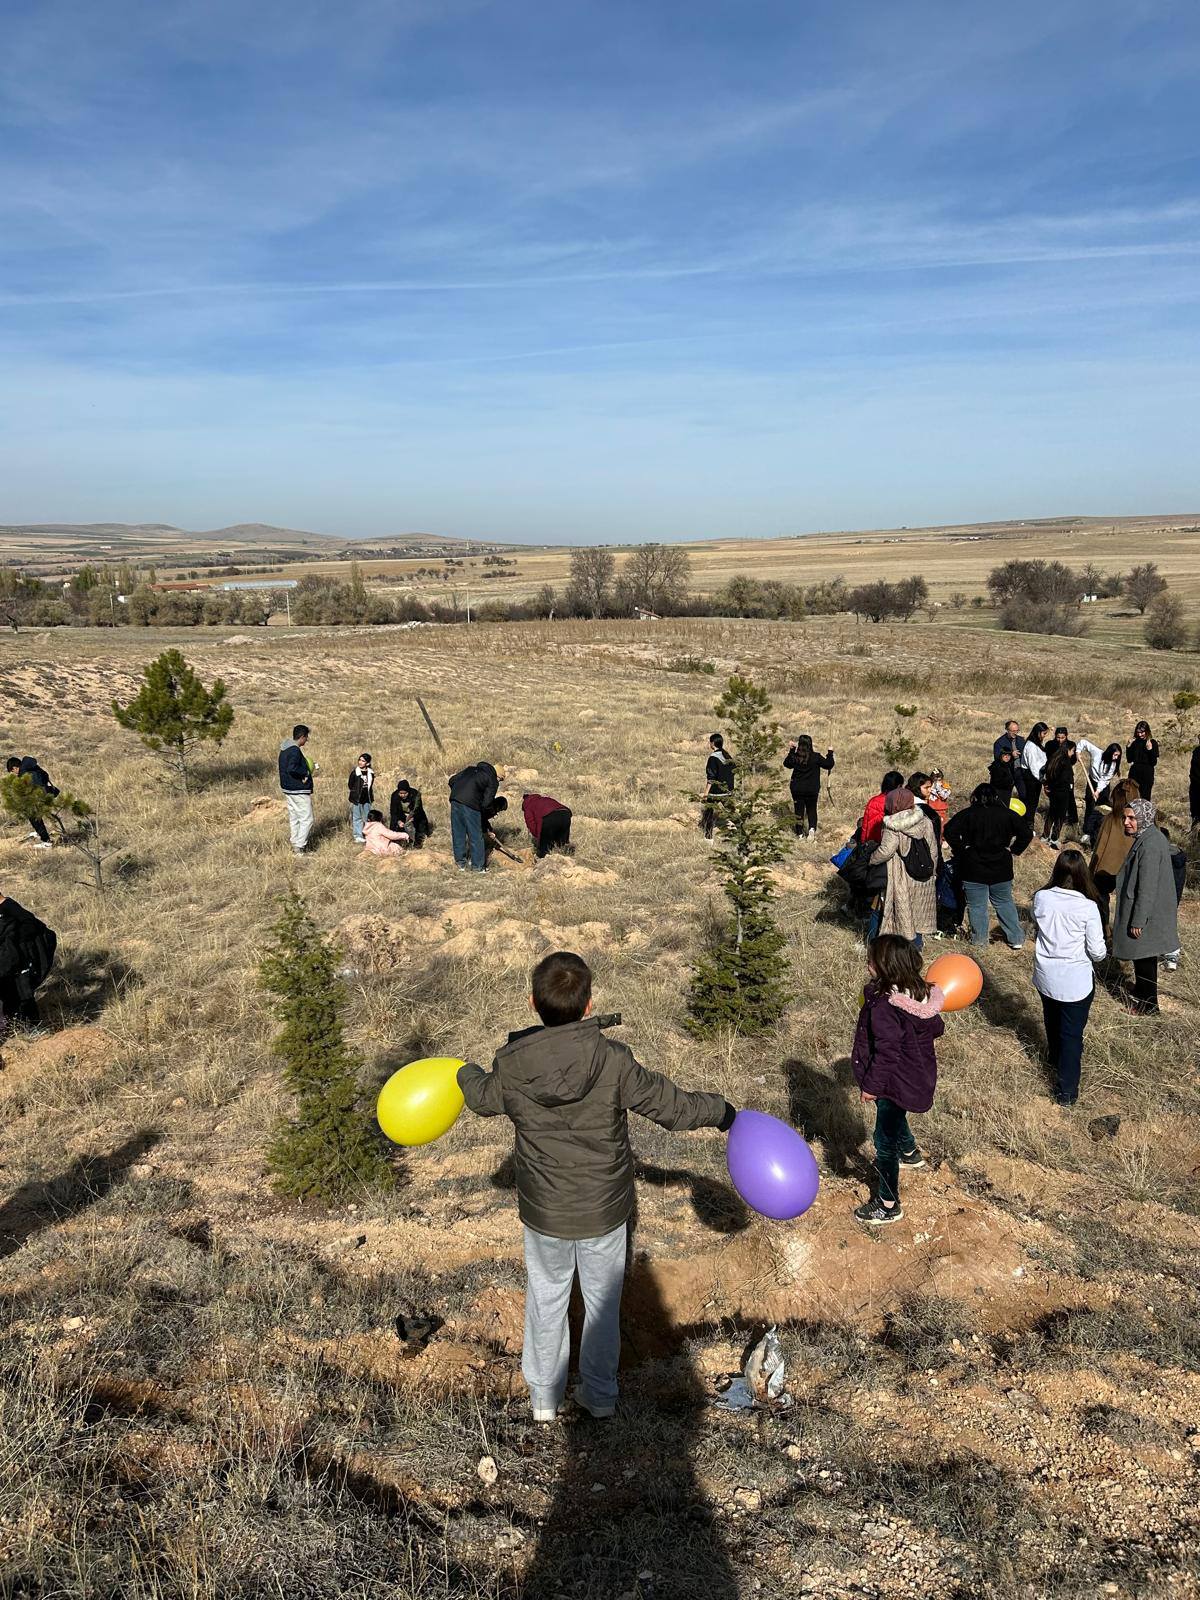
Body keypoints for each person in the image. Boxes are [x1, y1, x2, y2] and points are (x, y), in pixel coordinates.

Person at [456, 951, 736, 1421]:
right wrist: (723, 1111)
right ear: (590, 1006)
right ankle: (600, 1396)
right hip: (605, 1211)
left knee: (547, 1297)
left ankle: (544, 1400)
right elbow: (675, 1109)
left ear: (532, 1003)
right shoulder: (613, 1060)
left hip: (544, 1213)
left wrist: (462, 1072)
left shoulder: (511, 1065)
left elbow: (482, 1099)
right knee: (602, 1305)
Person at [850, 934, 945, 1226]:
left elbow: (887, 1053)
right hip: (915, 1076)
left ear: (886, 967)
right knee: (894, 1114)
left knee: (883, 1141)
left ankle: (888, 1203)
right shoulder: (919, 994)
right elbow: (936, 1028)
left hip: (892, 1081)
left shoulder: (886, 1006)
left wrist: (871, 1086)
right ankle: (911, 1152)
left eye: (872, 960)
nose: (868, 963)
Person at [1030, 850, 1106, 1106]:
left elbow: (1038, 926)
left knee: (1051, 1019)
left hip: (1045, 974)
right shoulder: (1088, 907)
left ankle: (1053, 1058)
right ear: (1083, 874)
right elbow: (1097, 952)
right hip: (1075, 981)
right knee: (1072, 1035)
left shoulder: (1041, 898)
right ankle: (1066, 1091)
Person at [943, 783, 1034, 951]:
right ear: (995, 797)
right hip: (1001, 866)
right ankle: (1016, 938)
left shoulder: (969, 813)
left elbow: (949, 830)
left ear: (975, 797)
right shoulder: (1007, 814)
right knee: (1004, 902)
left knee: (977, 906)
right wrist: (1014, 850)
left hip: (973, 867)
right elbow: (1027, 833)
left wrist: (961, 848)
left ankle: (980, 942)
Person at [1113, 800, 1178, 1015]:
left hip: (1147, 915)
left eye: (1132, 818)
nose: (1127, 822)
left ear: (1144, 818)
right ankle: (1142, 991)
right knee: (1142, 956)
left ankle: (1149, 1006)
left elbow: (1147, 887)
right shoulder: (1148, 837)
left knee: (1145, 958)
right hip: (1150, 913)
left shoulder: (1150, 844)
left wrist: (1139, 920)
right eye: (1125, 817)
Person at [869, 788, 938, 949]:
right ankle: (916, 949)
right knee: (917, 913)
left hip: (901, 876)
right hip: (923, 876)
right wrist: (932, 871)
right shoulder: (925, 820)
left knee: (897, 912)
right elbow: (933, 849)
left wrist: (871, 860)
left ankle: (883, 949)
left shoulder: (892, 824)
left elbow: (886, 851)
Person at [0, 892, 57, 1033]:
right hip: (7, 959)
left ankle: (33, 1030)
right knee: (9, 993)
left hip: (17, 960)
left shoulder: (9, 906)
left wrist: (13, 940)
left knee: (20, 993)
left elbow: (30, 924)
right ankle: (14, 1027)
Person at [1089, 776, 1140, 926]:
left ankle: (1105, 930)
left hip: (1109, 869)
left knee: (1100, 897)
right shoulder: (1141, 820)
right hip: (1127, 871)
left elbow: (1099, 849)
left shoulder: (1111, 819)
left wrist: (1091, 871)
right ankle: (1108, 931)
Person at [448, 761, 501, 872]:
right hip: (471, 804)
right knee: (476, 835)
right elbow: (487, 803)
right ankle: (478, 867)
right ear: (497, 775)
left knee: (458, 832)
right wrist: (480, 810)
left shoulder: (469, 769)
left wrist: (460, 792)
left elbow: (451, 780)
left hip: (455, 800)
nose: (499, 781)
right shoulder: (492, 779)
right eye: (501, 779)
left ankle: (460, 864)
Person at [783, 735, 834, 839]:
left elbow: (787, 764)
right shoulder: (816, 757)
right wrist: (830, 753)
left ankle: (800, 834)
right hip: (812, 789)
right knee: (811, 809)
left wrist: (792, 750)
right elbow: (829, 764)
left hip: (797, 789)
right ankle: (811, 829)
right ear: (810, 744)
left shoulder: (796, 757)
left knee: (798, 811)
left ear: (800, 745)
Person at [5, 755, 59, 849]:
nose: (14, 774)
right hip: (48, 792)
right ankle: (40, 833)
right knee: (34, 816)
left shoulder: (25, 773)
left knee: (33, 816)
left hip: (40, 796)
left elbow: (32, 789)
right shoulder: (31, 767)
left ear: (14, 768)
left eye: (12, 772)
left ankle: (46, 841)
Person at [278, 724, 315, 855]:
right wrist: (305, 772)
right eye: (306, 738)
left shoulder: (284, 749)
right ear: (302, 737)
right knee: (307, 818)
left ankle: (295, 844)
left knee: (295, 817)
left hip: (288, 788)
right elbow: (292, 768)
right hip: (298, 789)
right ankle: (300, 846)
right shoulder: (294, 750)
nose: (307, 740)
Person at [1078, 741, 1122, 844]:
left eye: (1118, 756)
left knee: (1102, 808)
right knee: (1090, 805)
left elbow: (1105, 780)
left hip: (1103, 787)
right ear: (1110, 752)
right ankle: (1087, 833)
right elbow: (1083, 742)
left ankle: (1099, 832)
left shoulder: (1113, 765)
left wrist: (1098, 791)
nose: (1116, 758)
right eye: (1115, 755)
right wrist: (1078, 751)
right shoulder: (1097, 752)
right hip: (1091, 782)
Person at [1041, 740, 1079, 846]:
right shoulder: (1065, 762)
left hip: (1053, 791)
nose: (1073, 753)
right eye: (1073, 751)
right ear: (1068, 750)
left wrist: (1048, 785)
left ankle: (1045, 836)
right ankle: (1054, 837)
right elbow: (1065, 779)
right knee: (1060, 816)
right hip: (1063, 792)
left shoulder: (1054, 758)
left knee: (1051, 814)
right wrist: (1070, 787)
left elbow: (1046, 772)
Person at [1159, 825, 1186, 973]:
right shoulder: (1178, 855)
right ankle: (1171, 955)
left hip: (1163, 896)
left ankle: (1171, 955)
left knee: (1166, 924)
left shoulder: (1164, 856)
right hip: (1174, 896)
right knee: (1169, 922)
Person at [858, 771, 906, 847]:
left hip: (870, 843)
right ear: (898, 786)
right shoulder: (897, 803)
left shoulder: (873, 800)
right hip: (886, 845)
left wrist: (863, 842)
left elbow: (865, 825)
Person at [700, 733, 734, 838]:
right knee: (732, 813)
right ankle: (739, 833)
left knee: (708, 814)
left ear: (712, 743)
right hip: (727, 790)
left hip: (716, 791)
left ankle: (708, 838)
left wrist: (706, 793)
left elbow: (711, 778)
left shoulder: (713, 758)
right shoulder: (727, 755)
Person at [523, 793, 573, 858]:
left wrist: (538, 837)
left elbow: (531, 823)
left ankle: (542, 861)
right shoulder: (544, 799)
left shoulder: (528, 805)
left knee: (544, 848)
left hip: (550, 817)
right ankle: (568, 861)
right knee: (562, 845)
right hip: (566, 814)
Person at [389, 779, 432, 848]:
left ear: (408, 791)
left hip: (415, 815)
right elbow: (393, 811)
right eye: (401, 793)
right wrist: (398, 821)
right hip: (401, 815)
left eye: (405, 793)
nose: (403, 795)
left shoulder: (415, 794)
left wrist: (413, 817)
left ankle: (417, 844)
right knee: (394, 824)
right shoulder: (394, 796)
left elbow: (418, 809)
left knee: (419, 829)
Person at [906, 771, 943, 848]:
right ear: (916, 788)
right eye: (926, 787)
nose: (930, 790)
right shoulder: (921, 808)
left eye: (930, 787)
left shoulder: (904, 802)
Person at [1019, 723, 1050, 813]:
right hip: (1032, 777)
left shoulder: (1037, 743)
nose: (1045, 736)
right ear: (1038, 733)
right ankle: (1028, 823)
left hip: (1037, 776)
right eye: (1044, 733)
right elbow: (1034, 767)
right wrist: (1043, 781)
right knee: (1030, 802)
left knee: (1034, 801)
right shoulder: (1031, 746)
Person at [347, 753, 375, 846]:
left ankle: (367, 834)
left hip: (367, 797)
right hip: (357, 798)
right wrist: (355, 792)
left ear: (367, 763)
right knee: (357, 817)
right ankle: (358, 836)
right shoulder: (355, 772)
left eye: (363, 761)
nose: (360, 762)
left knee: (368, 816)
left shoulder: (371, 773)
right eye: (359, 760)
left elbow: (370, 785)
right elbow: (350, 784)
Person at [1126, 722, 1158, 799]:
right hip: (1134, 773)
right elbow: (1129, 760)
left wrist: (1150, 750)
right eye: (1138, 732)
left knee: (1145, 797)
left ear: (1147, 731)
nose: (1140, 735)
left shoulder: (1152, 742)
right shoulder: (1134, 742)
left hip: (1147, 773)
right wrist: (1128, 747)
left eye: (1142, 732)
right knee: (1132, 797)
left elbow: (1154, 762)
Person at [1190, 740, 1200, 830]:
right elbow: (1193, 769)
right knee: (1195, 811)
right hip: (1195, 785)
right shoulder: (1196, 751)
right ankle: (1194, 833)